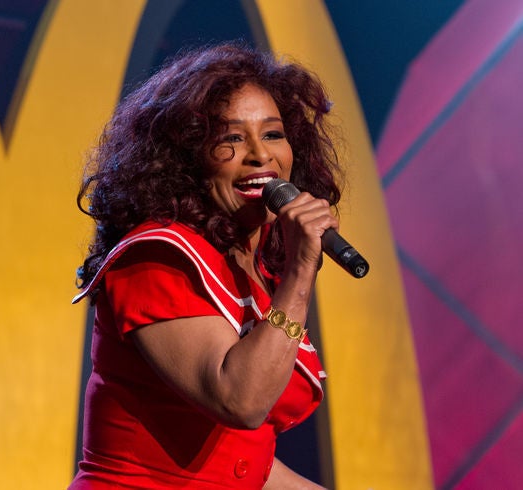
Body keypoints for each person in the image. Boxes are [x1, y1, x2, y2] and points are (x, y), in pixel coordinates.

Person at [69, 43, 342, 489]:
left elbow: (241, 461)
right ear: (187, 156)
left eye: (273, 134)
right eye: (231, 138)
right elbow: (240, 400)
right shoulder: (156, 258)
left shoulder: (252, 269)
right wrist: (301, 271)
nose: (260, 155)